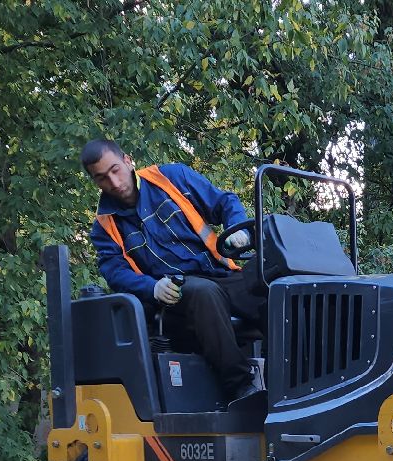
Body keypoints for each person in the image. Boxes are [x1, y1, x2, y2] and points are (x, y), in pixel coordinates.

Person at [82, 138, 261, 401]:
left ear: (127, 161)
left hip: (219, 273)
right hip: (174, 296)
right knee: (205, 294)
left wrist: (239, 229)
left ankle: (302, 376)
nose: (115, 183)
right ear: (95, 181)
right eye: (102, 178)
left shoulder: (172, 178)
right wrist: (152, 287)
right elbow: (115, 273)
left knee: (272, 286)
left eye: (115, 170)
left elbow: (225, 202)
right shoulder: (103, 228)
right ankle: (242, 388)